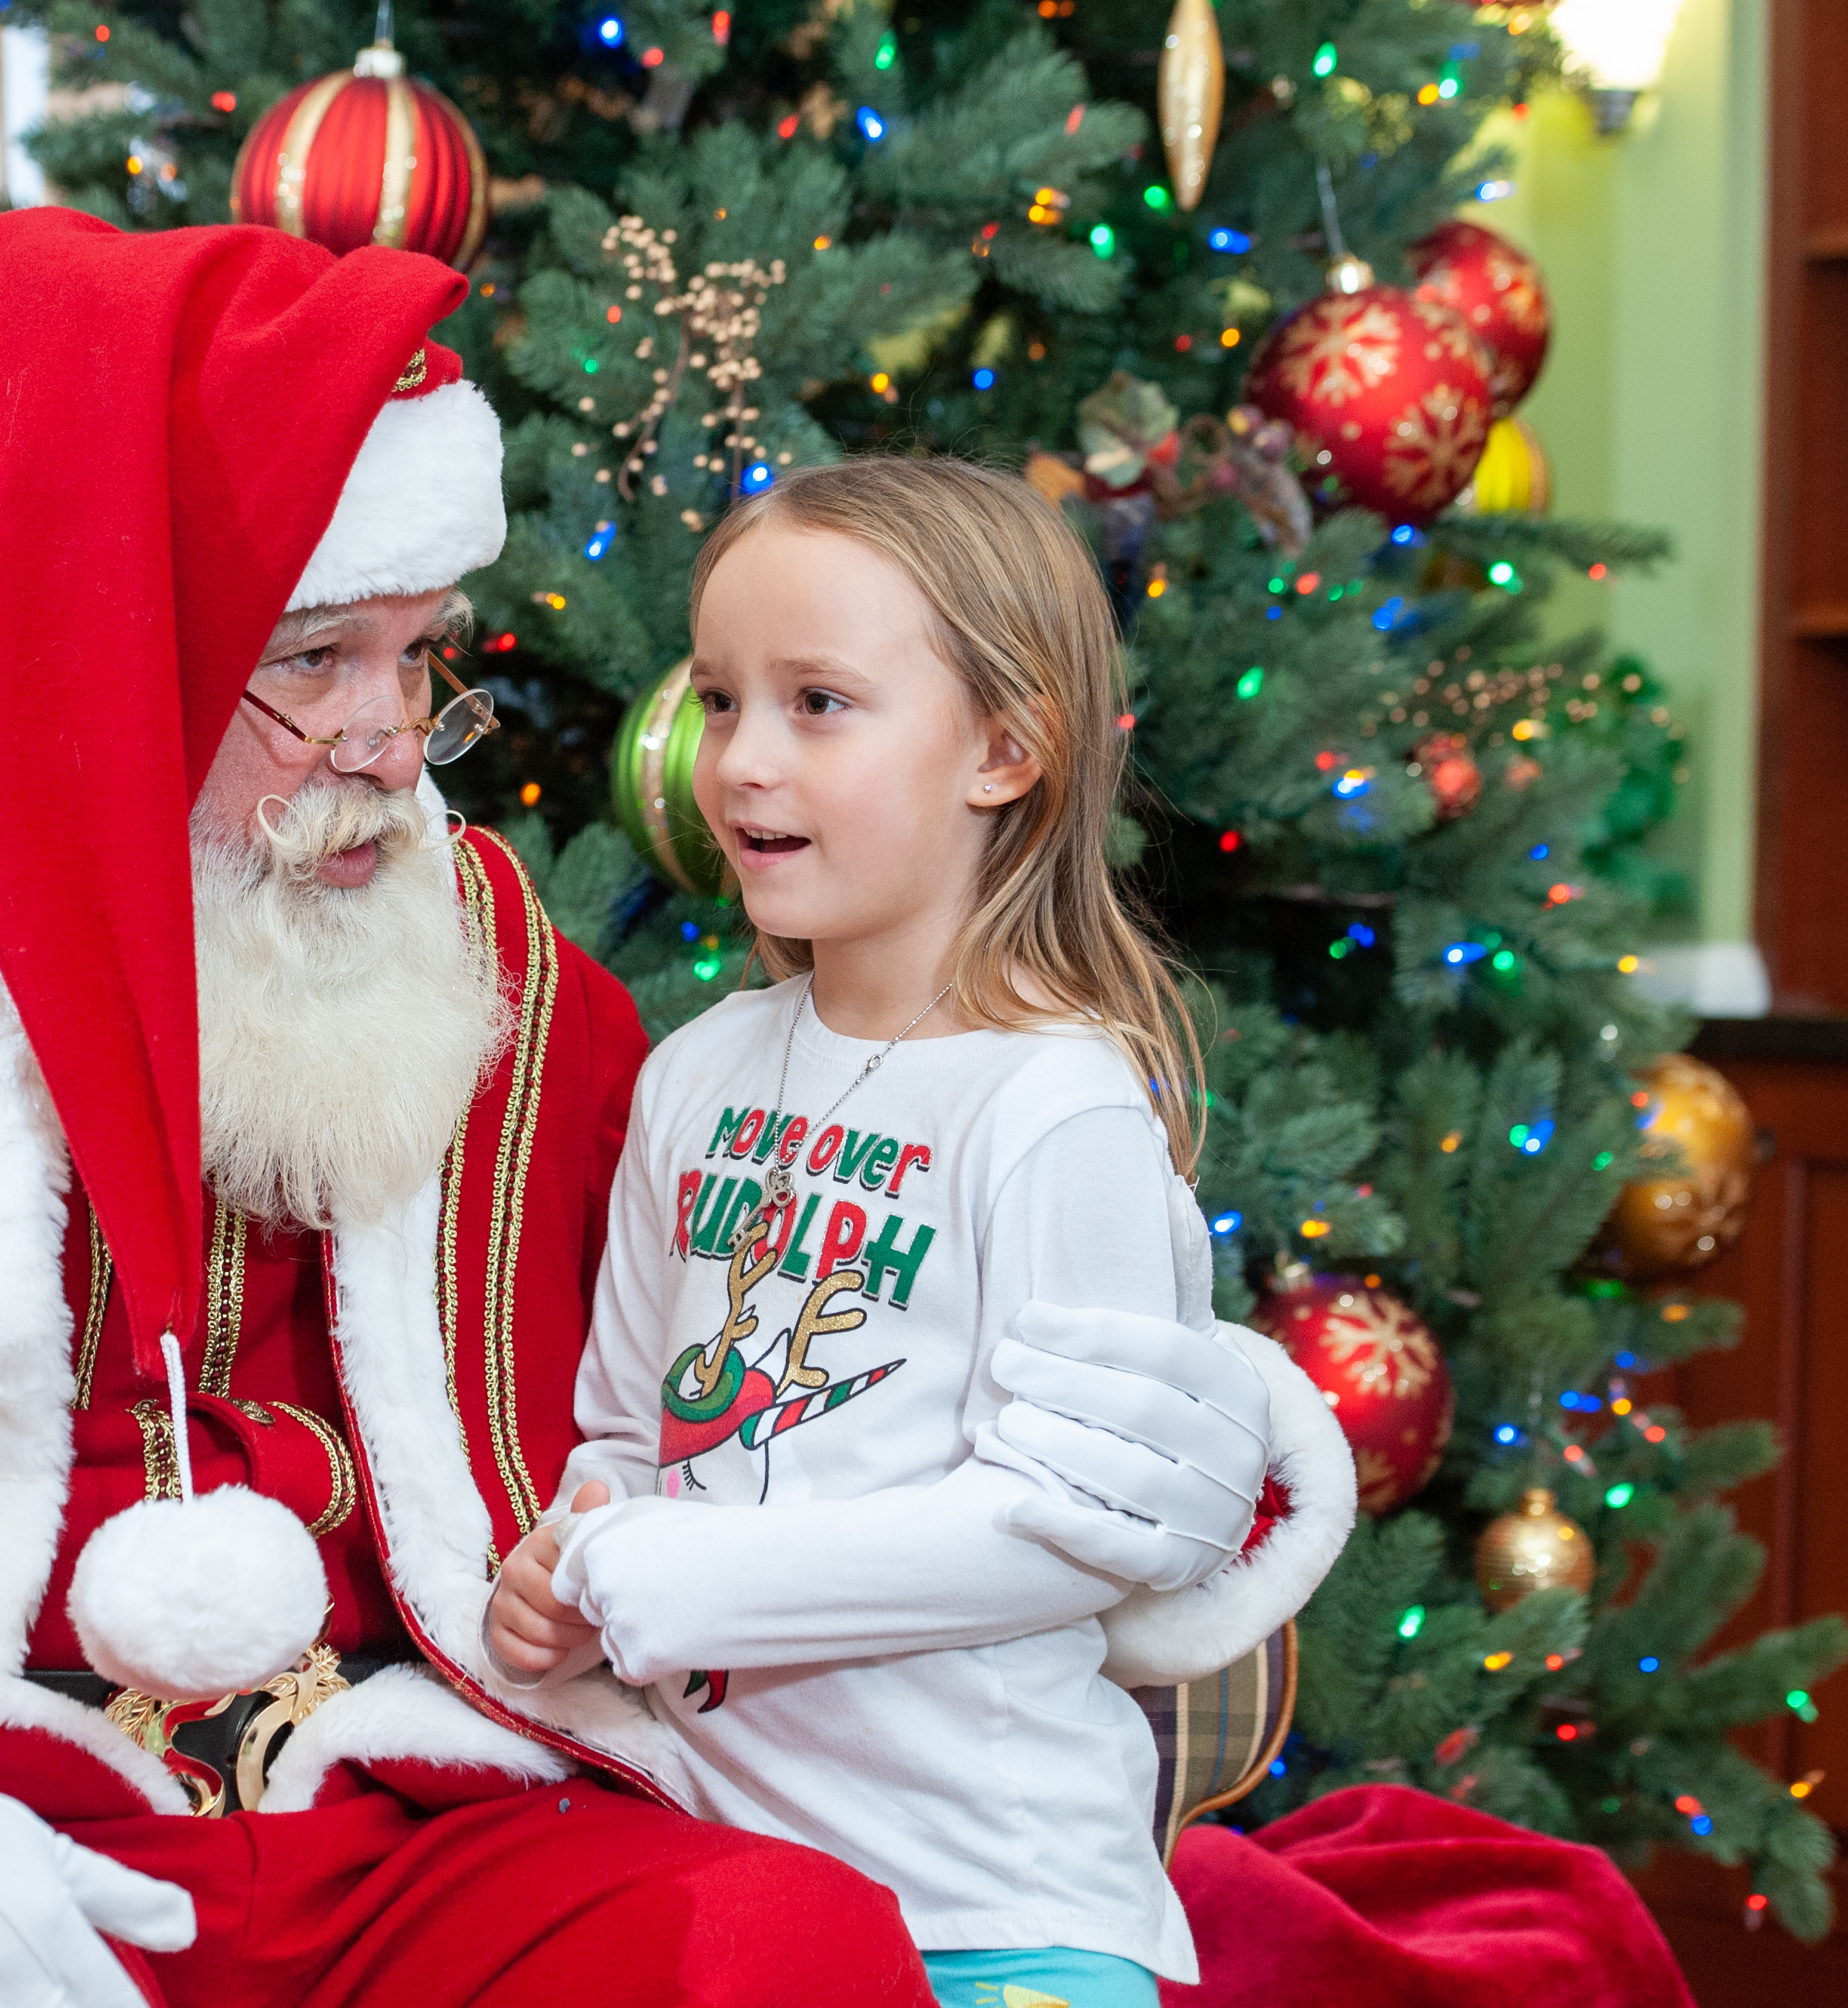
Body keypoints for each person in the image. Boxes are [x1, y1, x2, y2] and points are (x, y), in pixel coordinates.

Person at [0, 214, 1299, 2008]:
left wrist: (1170, 1433)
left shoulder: (482, 967)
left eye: (425, 655)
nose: (393, 743)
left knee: (769, 1945)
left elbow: (777, 1316)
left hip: (392, 1807)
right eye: (312, 661)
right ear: (102, 647)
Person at [483, 458, 1355, 2008]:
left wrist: (681, 1583)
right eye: (719, 696)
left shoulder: (1053, 1115)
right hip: (712, 1875)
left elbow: (1068, 1527)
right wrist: (570, 1568)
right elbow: (621, 1431)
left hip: (989, 1901)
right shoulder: (696, 1076)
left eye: (817, 703)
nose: (738, 759)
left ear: (1003, 749)